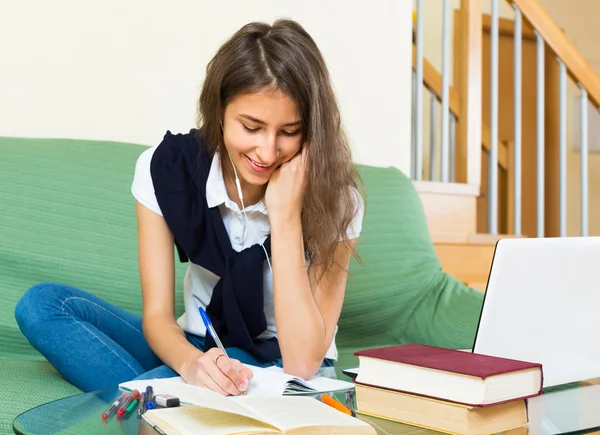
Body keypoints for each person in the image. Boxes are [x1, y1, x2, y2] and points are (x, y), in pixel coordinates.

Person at [14, 18, 364, 396]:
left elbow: (304, 361)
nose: (267, 151)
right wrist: (191, 364)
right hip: (197, 345)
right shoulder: (167, 170)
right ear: (219, 111)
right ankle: (174, 398)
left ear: (311, 130)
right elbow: (158, 317)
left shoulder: (338, 198)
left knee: (198, 372)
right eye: (250, 127)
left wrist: (285, 216)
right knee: (43, 306)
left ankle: (157, 401)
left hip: (288, 365)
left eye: (289, 132)